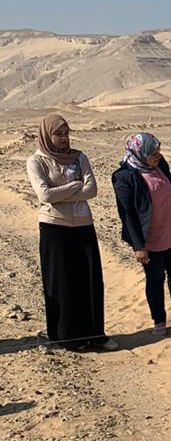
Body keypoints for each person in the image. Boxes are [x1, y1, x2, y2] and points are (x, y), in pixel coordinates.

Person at [26, 114, 117, 352]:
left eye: (66, 133)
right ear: (47, 135)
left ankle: (95, 335)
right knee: (62, 283)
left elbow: (92, 190)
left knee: (89, 280)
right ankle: (68, 337)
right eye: (58, 134)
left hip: (83, 226)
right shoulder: (36, 161)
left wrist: (62, 192)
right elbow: (45, 195)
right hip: (54, 227)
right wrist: (76, 186)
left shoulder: (79, 157)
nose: (64, 138)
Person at [112, 133, 171, 336]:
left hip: (169, 230)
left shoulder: (160, 165)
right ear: (140, 153)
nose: (158, 156)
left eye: (159, 152)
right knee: (155, 278)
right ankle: (159, 320)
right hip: (149, 237)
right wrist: (139, 246)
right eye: (153, 153)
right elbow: (127, 214)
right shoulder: (124, 176)